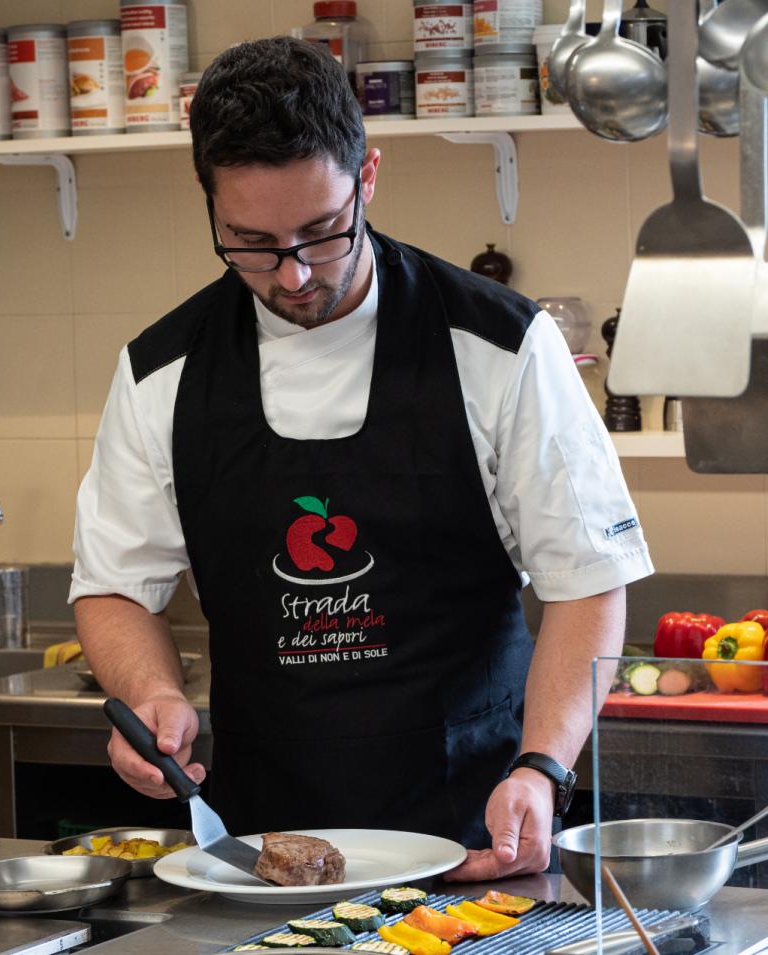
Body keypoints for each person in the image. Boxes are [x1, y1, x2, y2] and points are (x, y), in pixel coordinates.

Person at [70, 36, 653, 882]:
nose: (296, 272)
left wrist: (543, 765)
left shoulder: (496, 343)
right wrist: (152, 696)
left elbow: (590, 576)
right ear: (209, 202)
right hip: (261, 850)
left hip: (476, 830)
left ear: (367, 176)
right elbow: (117, 585)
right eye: (252, 242)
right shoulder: (164, 370)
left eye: (322, 230)